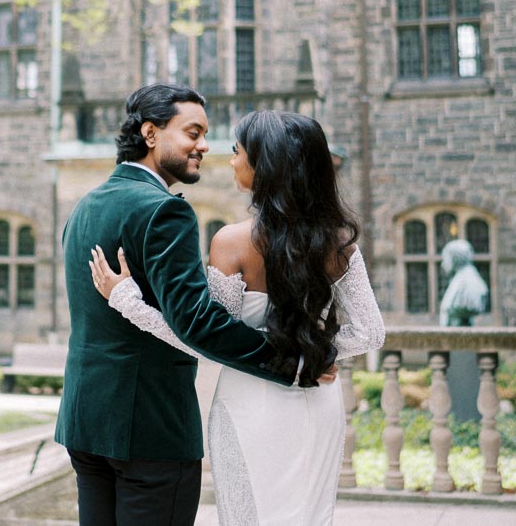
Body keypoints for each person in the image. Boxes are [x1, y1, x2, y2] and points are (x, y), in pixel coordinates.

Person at [89, 108, 385, 526]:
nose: (229, 161)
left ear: (265, 165)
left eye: (236, 151)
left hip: (248, 404)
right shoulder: (337, 242)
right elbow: (371, 333)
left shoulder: (231, 242)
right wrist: (314, 354)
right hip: (319, 403)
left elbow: (205, 337)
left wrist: (128, 301)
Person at [55, 84, 316, 526]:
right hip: (150, 432)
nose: (204, 146)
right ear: (151, 134)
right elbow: (196, 321)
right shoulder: (164, 212)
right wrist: (291, 363)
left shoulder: (84, 206)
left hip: (85, 422)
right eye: (192, 132)